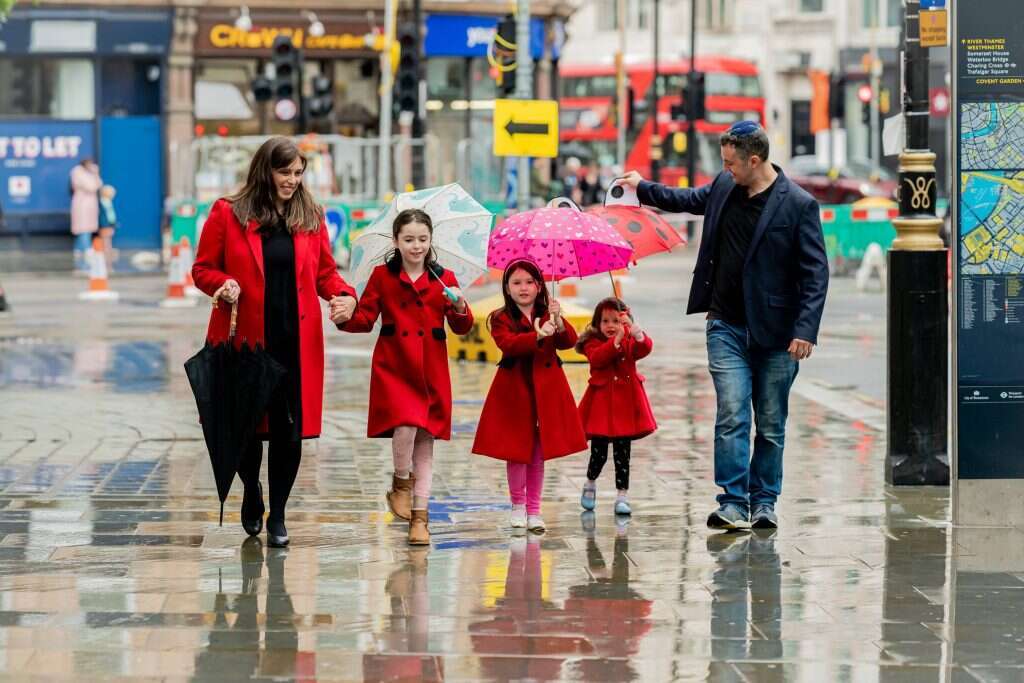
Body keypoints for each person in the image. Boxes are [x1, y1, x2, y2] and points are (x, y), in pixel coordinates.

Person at [619, 120, 829, 531]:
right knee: (732, 414)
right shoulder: (723, 186)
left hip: (779, 334)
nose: (726, 169)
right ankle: (732, 502)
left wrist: (805, 329)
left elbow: (815, 273)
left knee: (770, 424)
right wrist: (643, 188)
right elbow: (687, 199)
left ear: (755, 160)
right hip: (725, 325)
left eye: (732, 163)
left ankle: (764, 501)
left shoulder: (798, 204)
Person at [192, 136, 357, 547]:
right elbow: (202, 268)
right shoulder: (228, 214)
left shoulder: (311, 216)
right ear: (265, 170)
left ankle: (279, 514)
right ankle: (252, 490)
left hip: (295, 341)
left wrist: (344, 296)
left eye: (298, 173)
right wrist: (222, 283)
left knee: (289, 432)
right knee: (246, 429)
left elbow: (325, 274)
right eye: (285, 172)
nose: (292, 180)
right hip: (246, 339)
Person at [337, 208, 473, 546]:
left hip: (431, 369)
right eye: (409, 239)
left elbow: (462, 326)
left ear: (431, 240)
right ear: (396, 241)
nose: (417, 246)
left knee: (425, 444)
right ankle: (400, 481)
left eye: (423, 239)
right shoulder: (382, 276)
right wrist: (345, 315)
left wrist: (459, 307)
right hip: (395, 367)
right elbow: (366, 318)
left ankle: (419, 519)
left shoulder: (445, 278)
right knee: (406, 424)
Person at [471, 259, 587, 533]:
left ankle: (535, 510)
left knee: (538, 451)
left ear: (539, 286)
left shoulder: (549, 313)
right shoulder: (500, 317)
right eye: (516, 282)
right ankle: (517, 506)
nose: (523, 288)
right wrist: (535, 336)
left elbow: (568, 342)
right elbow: (508, 345)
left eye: (529, 282)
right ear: (507, 288)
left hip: (546, 389)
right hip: (514, 390)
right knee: (517, 450)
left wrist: (558, 322)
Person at [576, 297, 656, 516]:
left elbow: (644, 349)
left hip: (625, 407)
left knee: (623, 452)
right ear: (597, 324)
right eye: (605, 321)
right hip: (601, 407)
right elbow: (598, 359)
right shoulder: (593, 342)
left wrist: (638, 335)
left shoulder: (630, 339)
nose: (610, 326)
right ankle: (590, 482)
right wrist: (617, 340)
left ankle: (622, 494)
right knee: (599, 453)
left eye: (615, 320)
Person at [70, 159, 103, 272]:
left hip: (90, 205)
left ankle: (79, 251)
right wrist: (93, 174)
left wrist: (95, 173)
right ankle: (87, 250)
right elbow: (91, 187)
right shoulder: (77, 172)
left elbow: (99, 184)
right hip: (81, 204)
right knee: (83, 229)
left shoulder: (91, 173)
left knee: (87, 229)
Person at [98, 185, 118, 271]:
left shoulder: (108, 203)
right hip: (105, 226)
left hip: (109, 225)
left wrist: (113, 224)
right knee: (105, 241)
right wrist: (104, 225)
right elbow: (103, 216)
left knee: (108, 240)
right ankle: (105, 255)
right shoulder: (103, 203)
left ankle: (108, 254)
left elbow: (111, 215)